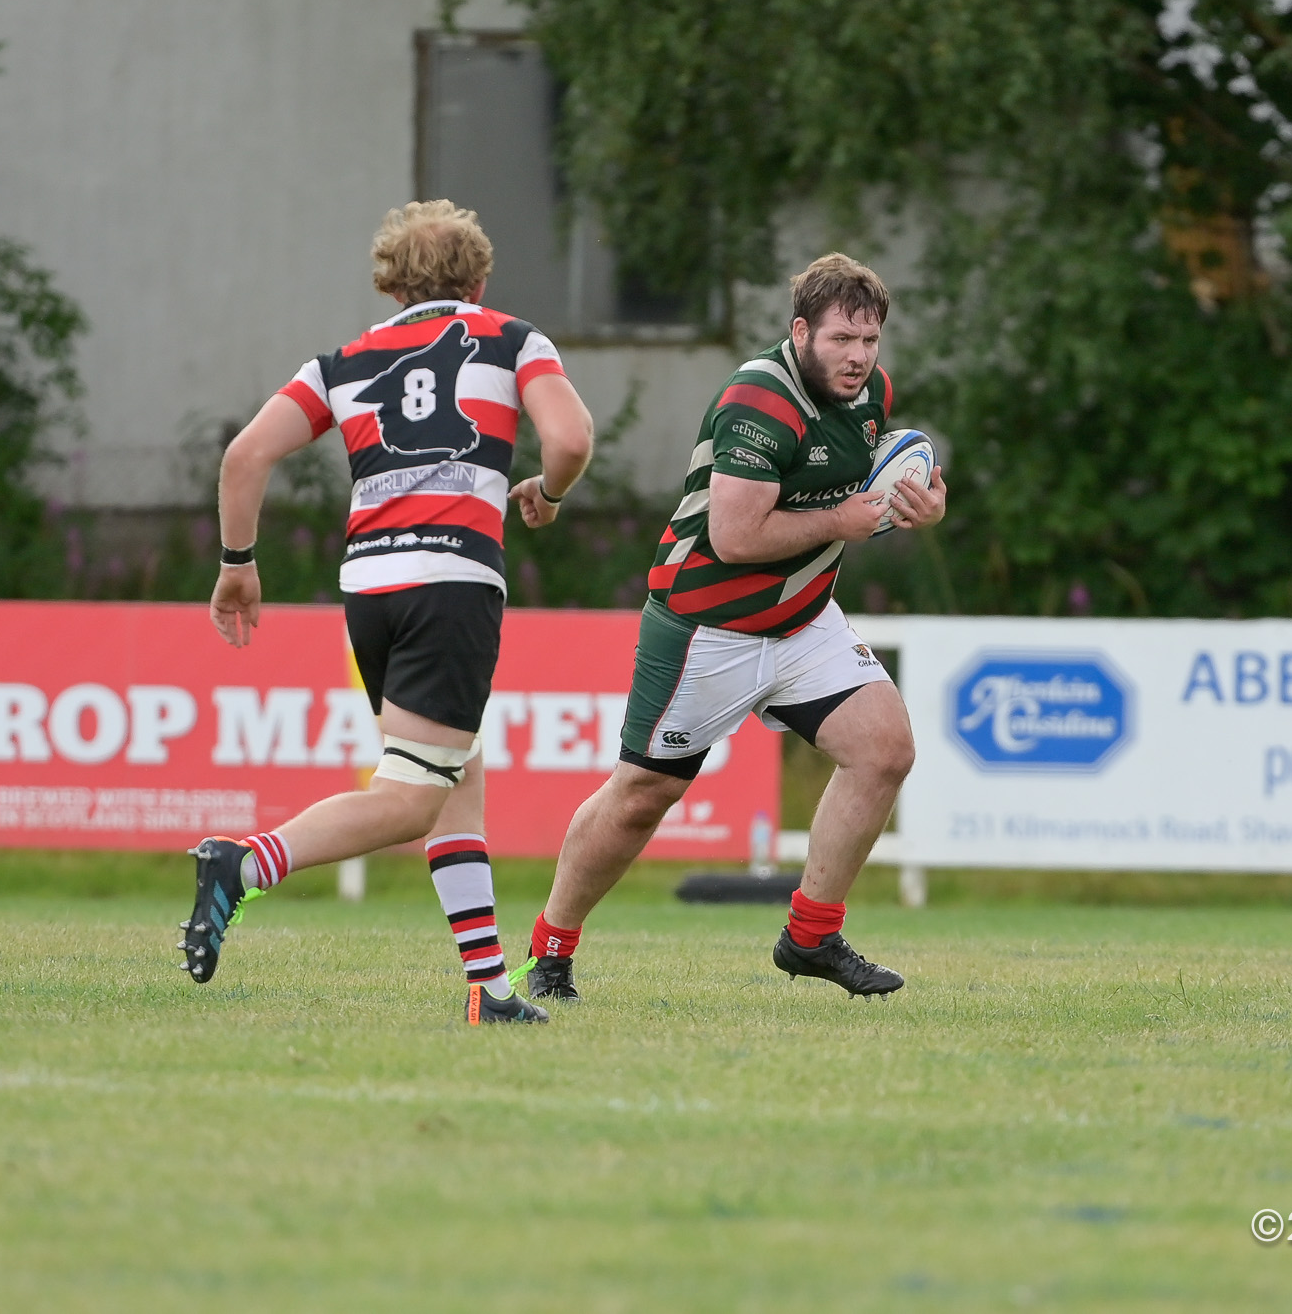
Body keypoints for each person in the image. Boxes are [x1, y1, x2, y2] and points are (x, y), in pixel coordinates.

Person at [179, 200, 593, 1025]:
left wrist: (237, 564)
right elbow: (571, 439)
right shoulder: (511, 339)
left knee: (454, 774)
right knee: (410, 796)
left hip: (370, 586)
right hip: (451, 581)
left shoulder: (342, 362)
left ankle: (489, 990)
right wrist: (547, 492)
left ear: (391, 285)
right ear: (479, 281)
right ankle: (244, 863)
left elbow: (246, 455)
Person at [520, 253, 945, 1001]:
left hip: (803, 620)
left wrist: (921, 507)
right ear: (800, 332)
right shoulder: (759, 400)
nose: (857, 357)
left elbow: (867, 494)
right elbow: (736, 536)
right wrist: (840, 521)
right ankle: (549, 951)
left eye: (869, 340)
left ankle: (811, 937)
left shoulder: (872, 395)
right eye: (841, 339)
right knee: (640, 797)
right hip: (705, 628)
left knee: (885, 750)